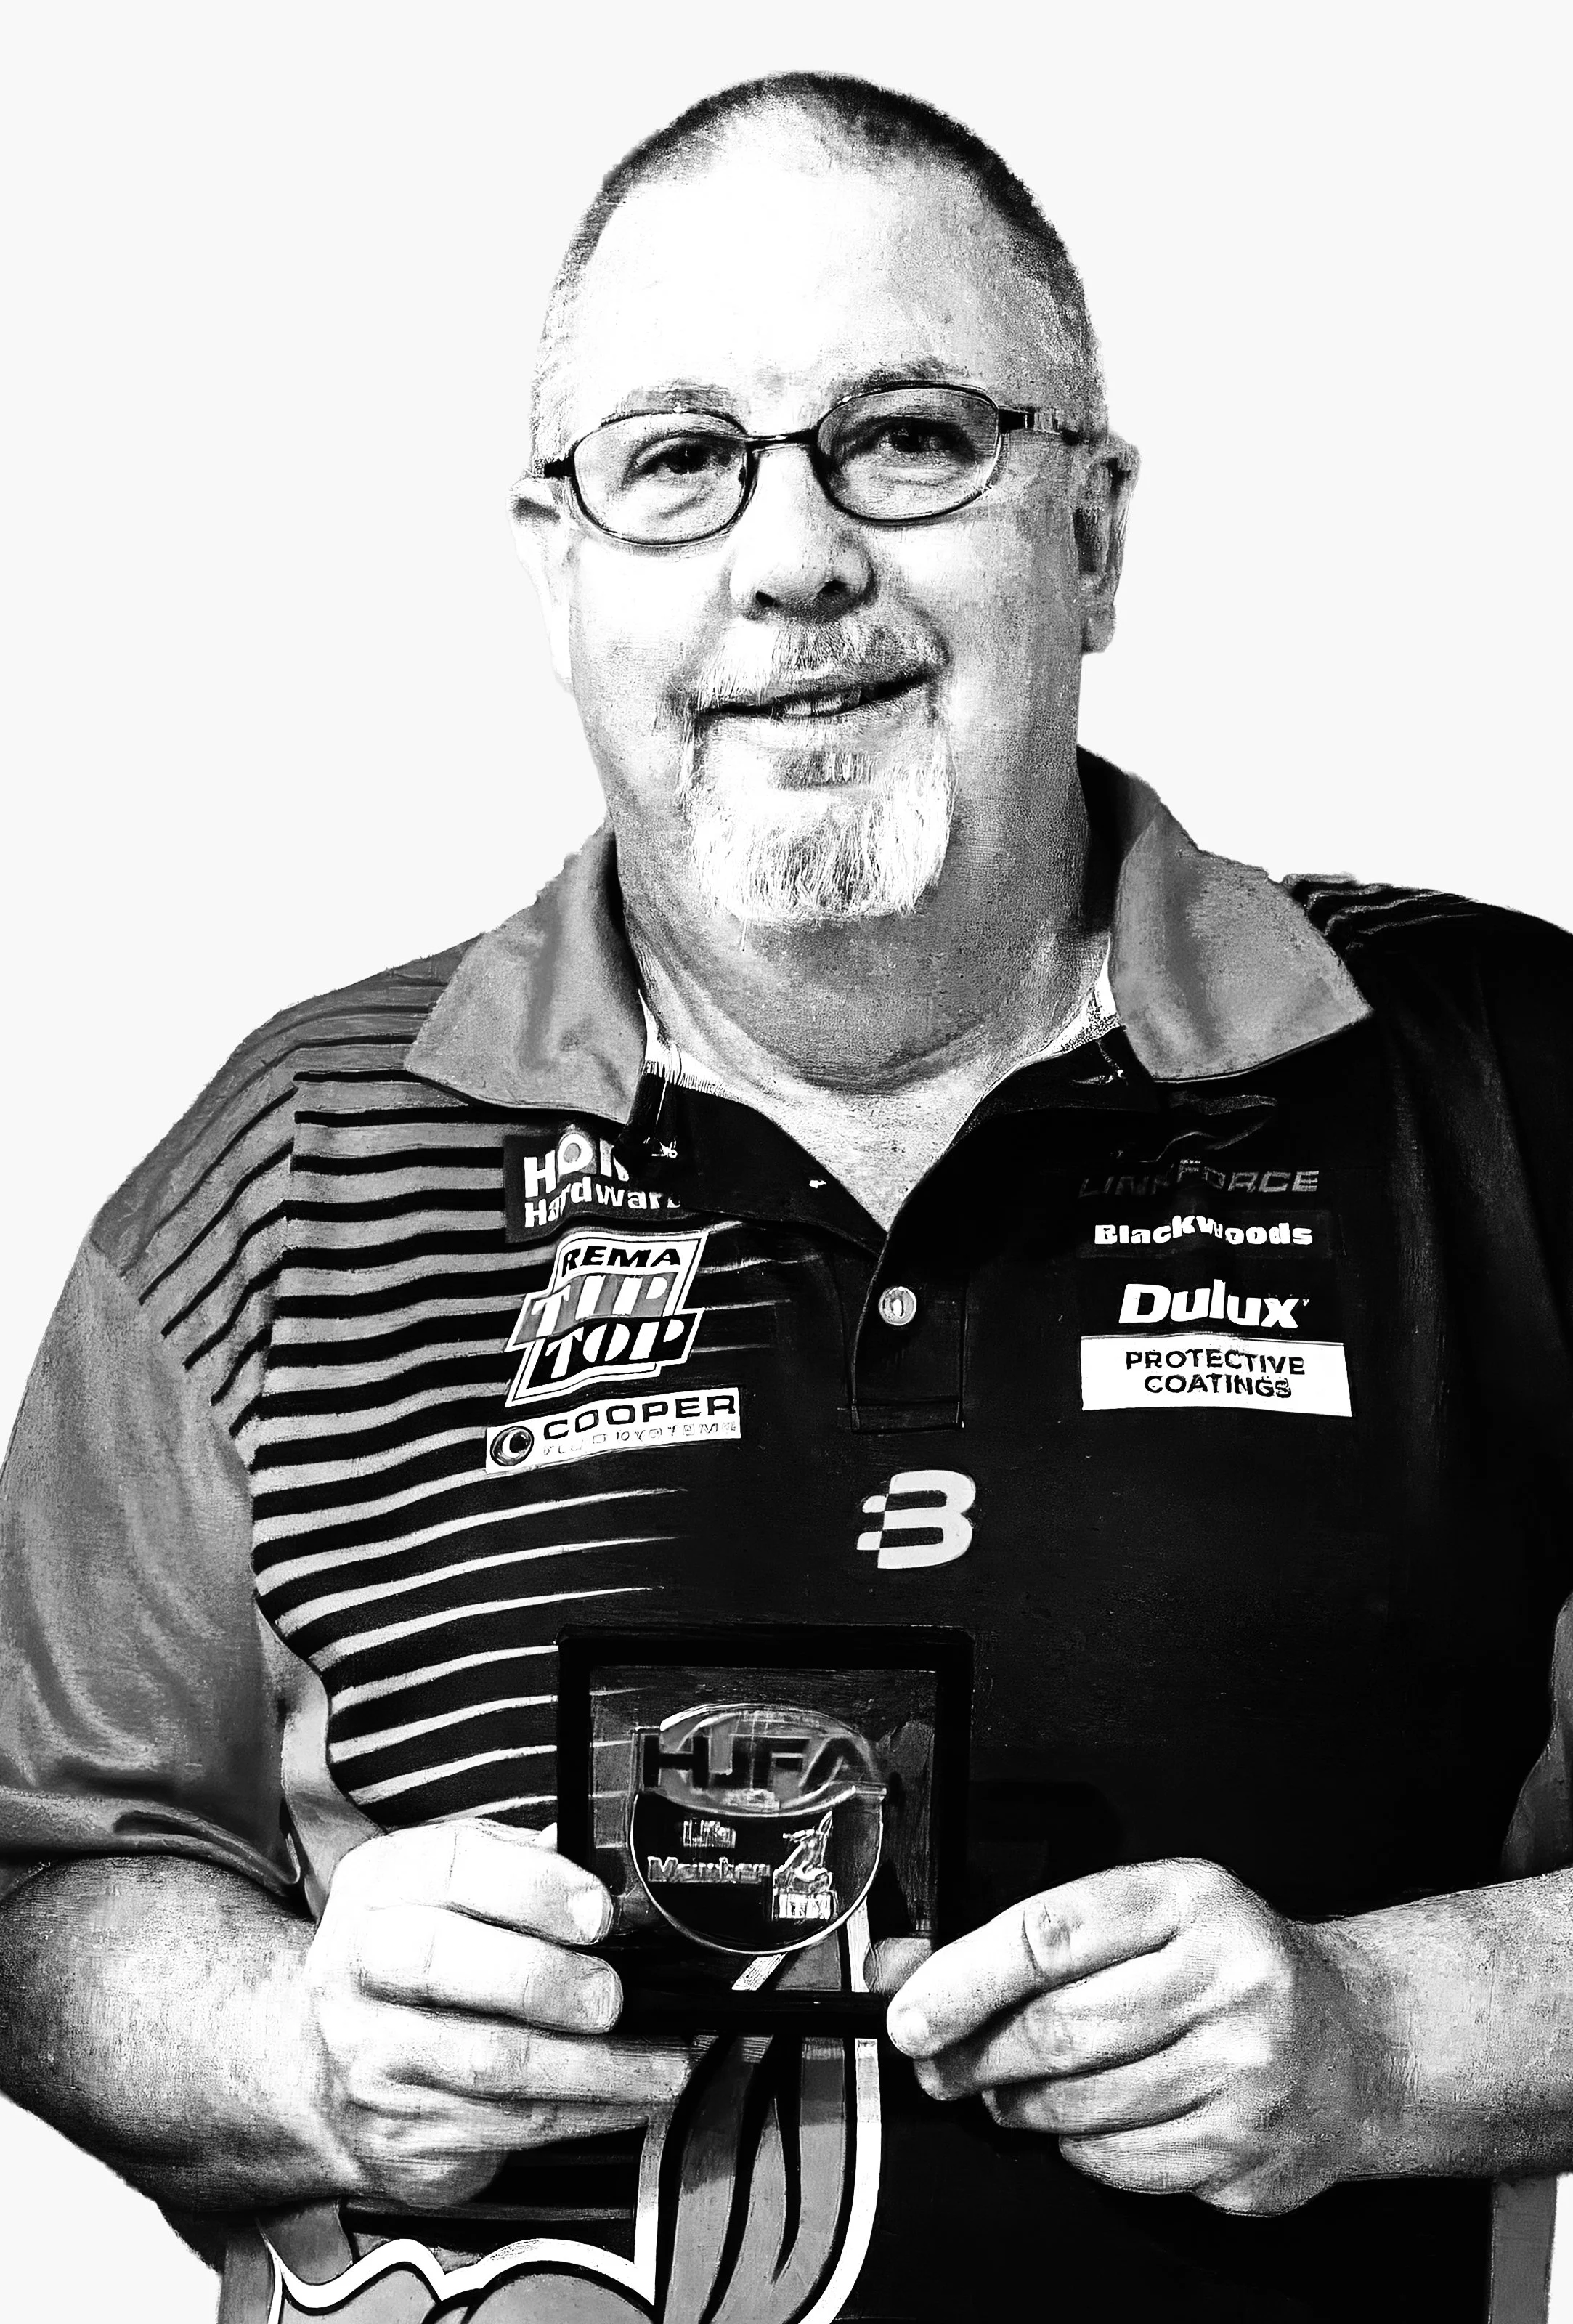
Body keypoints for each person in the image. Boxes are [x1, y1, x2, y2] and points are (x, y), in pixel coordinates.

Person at [2, 68, 1572, 2324]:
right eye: (674, 464)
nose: (794, 556)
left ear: (1092, 535)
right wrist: (292, 2048)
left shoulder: (1504, 1083)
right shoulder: (279, 1162)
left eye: (908, 438)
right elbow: (33, 1882)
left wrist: (1383, 2043)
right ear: (559, 570)